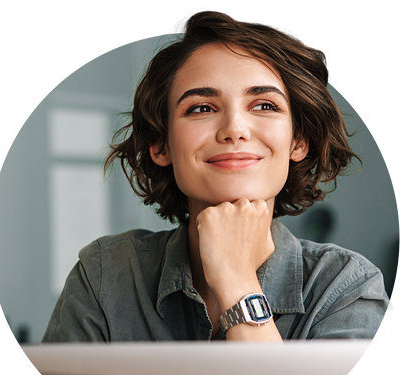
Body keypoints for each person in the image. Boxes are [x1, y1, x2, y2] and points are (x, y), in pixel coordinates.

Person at [41, 11, 396, 343]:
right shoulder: (104, 274)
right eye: (201, 108)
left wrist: (236, 280)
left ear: (298, 141)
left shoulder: (347, 285)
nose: (234, 130)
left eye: (264, 105)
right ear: (160, 145)